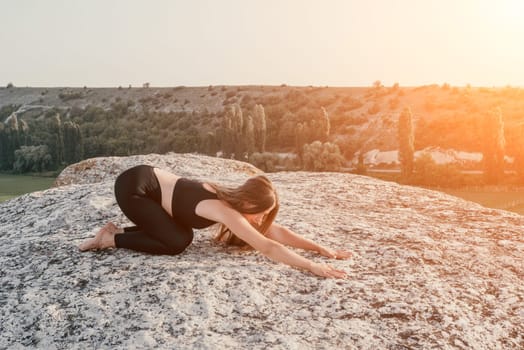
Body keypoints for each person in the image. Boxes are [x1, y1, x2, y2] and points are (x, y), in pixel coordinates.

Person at [79, 164, 351, 278]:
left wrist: (318, 248)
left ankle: (118, 230)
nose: (261, 219)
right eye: (261, 212)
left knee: (180, 233)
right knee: (178, 241)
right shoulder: (224, 209)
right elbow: (267, 246)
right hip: (134, 188)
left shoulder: (229, 199)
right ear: (249, 203)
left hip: (145, 181)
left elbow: (276, 232)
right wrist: (312, 266)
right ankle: (110, 239)